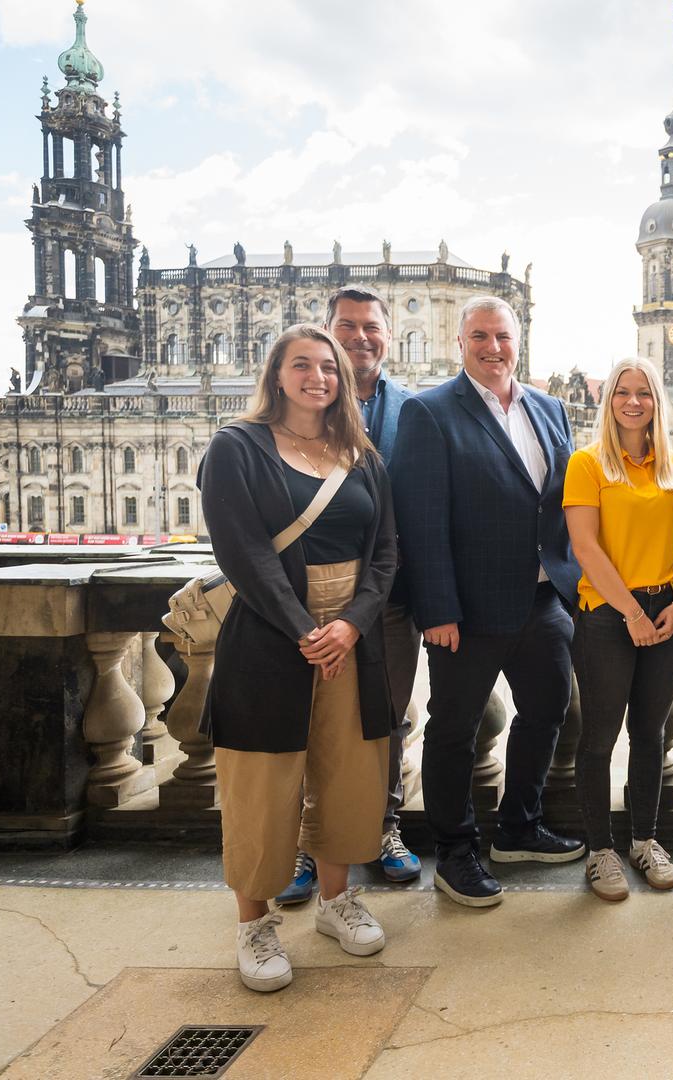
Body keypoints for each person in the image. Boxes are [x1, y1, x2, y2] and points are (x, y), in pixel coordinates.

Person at [198, 324, 398, 992]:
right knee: (261, 782)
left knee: (350, 775)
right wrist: (304, 631)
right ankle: (254, 924)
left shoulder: (360, 454)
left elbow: (385, 552)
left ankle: (337, 901)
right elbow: (242, 550)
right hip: (269, 631)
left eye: (330, 367)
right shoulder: (236, 447)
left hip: (351, 637)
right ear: (276, 375)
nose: (319, 378)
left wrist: (352, 625)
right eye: (302, 365)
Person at [391, 296, 583, 909]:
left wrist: (575, 581)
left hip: (543, 598)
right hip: (467, 612)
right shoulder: (430, 411)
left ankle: (519, 828)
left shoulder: (549, 408)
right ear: (460, 342)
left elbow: (562, 504)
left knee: (548, 712)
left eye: (502, 336)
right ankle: (454, 851)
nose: (492, 347)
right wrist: (437, 609)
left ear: (517, 342)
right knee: (454, 731)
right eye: (480, 336)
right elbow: (421, 521)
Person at [275, 286, 420, 906]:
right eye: (347, 326)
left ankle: (384, 827)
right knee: (305, 720)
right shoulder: (292, 413)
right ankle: (305, 844)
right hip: (308, 600)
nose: (361, 337)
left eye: (371, 327)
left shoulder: (415, 410)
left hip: (391, 597)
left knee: (385, 719)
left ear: (388, 335)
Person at [563, 357, 673, 902]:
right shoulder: (587, 463)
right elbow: (585, 548)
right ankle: (600, 851)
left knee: (651, 734)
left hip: (664, 612)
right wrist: (632, 614)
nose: (633, 402)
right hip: (607, 614)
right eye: (622, 392)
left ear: (657, 403)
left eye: (644, 393)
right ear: (608, 401)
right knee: (598, 738)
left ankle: (644, 841)